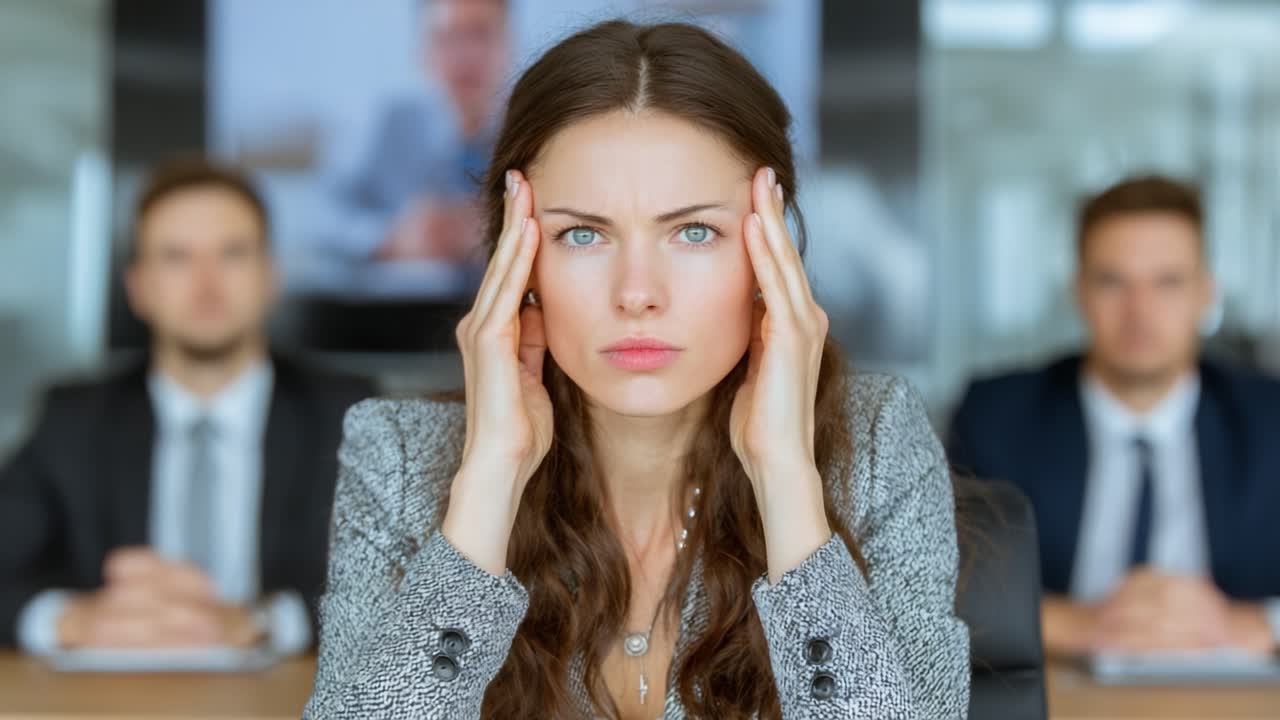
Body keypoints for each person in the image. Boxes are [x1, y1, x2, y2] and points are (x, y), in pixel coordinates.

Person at [305, 20, 968, 720]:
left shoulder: (876, 449)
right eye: (582, 234)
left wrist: (785, 480)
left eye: (694, 232)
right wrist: (491, 480)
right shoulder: (399, 458)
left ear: (771, 254)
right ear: (518, 263)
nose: (637, 292)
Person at [0, 158, 374, 654]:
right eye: (177, 257)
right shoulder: (72, 419)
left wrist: (260, 622)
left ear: (271, 277)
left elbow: (401, 588)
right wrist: (73, 620)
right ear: (138, 287)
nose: (206, 283)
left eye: (232, 254)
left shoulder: (351, 415)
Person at [949, 175, 1280, 658]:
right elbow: (936, 585)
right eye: (1112, 282)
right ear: (1079, 292)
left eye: (1167, 282)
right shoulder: (999, 418)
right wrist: (1075, 625)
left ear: (1207, 293)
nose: (1139, 311)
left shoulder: (1269, 420)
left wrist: (1256, 624)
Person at [326, 0, 511, 267]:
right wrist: (390, 237)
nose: (465, 55)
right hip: (400, 304)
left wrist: (501, 231)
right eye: (447, 37)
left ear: (507, 42)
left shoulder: (536, 129)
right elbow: (323, 217)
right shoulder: (387, 122)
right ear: (422, 51)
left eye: (480, 34)